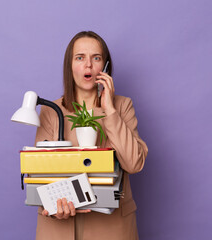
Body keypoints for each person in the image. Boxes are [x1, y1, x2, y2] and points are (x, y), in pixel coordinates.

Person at [34, 31, 148, 240]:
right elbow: (40, 174)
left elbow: (134, 163)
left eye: (96, 58)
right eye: (80, 58)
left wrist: (109, 110)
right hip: (60, 230)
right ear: (70, 66)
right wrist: (53, 204)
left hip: (111, 228)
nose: (88, 65)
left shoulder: (122, 106)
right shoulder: (51, 110)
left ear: (105, 67)